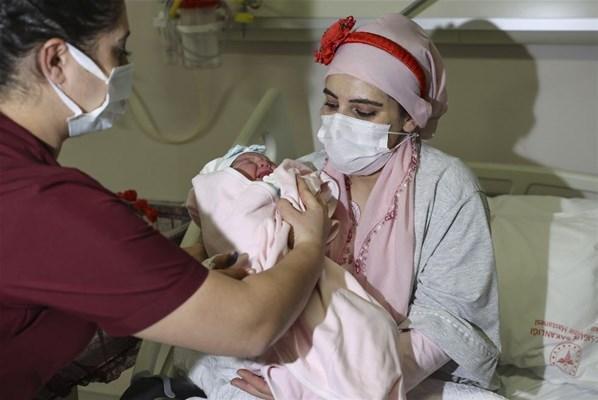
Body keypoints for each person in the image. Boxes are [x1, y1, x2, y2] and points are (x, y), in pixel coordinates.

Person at [0, 1, 331, 398]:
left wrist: (172, 277)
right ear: (56, 60)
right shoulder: (44, 204)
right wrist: (311, 245)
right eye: (118, 50)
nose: (125, 66)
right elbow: (250, 325)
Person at [232, 14, 501, 399]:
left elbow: (444, 326)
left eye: (362, 112)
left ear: (409, 118)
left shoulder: (446, 188)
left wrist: (329, 388)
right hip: (297, 357)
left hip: (406, 374)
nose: (338, 124)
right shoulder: (303, 174)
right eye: (330, 103)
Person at [184, 145, 404, 399]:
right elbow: (211, 206)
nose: (263, 163)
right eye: (248, 161)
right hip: (255, 279)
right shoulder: (219, 192)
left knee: (366, 326)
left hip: (296, 270)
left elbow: (311, 203)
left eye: (266, 160)